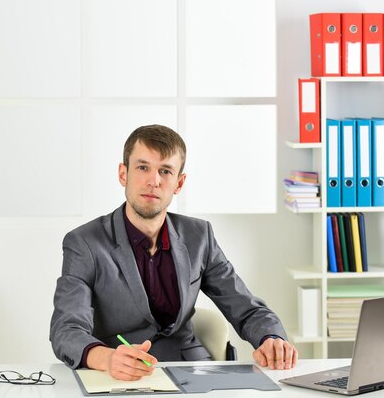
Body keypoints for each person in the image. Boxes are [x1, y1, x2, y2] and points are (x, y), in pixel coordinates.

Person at [50, 124, 297, 380]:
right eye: (142, 167)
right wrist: (106, 357)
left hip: (190, 369)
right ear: (123, 174)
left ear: (179, 182)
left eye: (165, 171)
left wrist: (272, 338)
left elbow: (245, 307)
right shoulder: (84, 243)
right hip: (119, 374)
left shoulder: (199, 236)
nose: (153, 181)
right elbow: (66, 329)